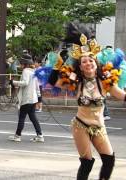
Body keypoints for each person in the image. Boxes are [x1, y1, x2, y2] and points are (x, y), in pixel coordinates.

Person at [48, 33, 126, 180]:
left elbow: (122, 96)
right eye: (84, 62)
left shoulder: (105, 81)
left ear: (96, 63)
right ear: (80, 67)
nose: (88, 63)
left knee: (109, 160)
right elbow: (53, 82)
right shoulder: (75, 81)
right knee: (87, 162)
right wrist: (57, 66)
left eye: (91, 60)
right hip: (81, 126)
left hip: (99, 127)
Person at [8, 53, 44, 143]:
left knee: (21, 117)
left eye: (21, 63)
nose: (20, 65)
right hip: (33, 99)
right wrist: (39, 99)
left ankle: (17, 136)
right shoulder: (33, 71)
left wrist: (13, 82)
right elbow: (37, 87)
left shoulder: (25, 71)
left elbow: (25, 83)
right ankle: (40, 135)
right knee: (33, 118)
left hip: (27, 99)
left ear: (24, 63)